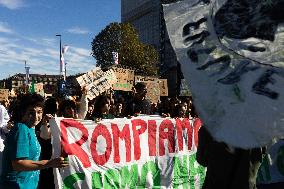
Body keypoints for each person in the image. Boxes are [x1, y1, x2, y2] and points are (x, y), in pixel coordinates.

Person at [0, 93, 68, 189]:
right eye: (31, 112)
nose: (36, 116)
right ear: (23, 112)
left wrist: (44, 123)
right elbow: (18, 164)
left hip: (27, 185)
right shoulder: (21, 129)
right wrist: (49, 163)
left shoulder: (30, 128)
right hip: (16, 185)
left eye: (39, 112)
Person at [197, 123, 266, 189]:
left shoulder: (210, 128)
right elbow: (260, 156)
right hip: (246, 184)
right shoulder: (258, 129)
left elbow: (202, 160)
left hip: (216, 184)